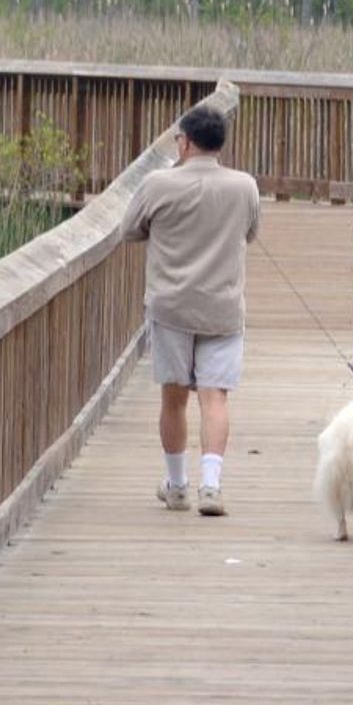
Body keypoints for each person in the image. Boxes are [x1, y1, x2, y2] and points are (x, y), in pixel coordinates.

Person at [124, 101, 259, 515]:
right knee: (214, 398)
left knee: (174, 398)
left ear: (184, 142)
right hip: (222, 307)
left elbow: (129, 230)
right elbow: (251, 233)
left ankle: (178, 485)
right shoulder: (244, 186)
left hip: (171, 306)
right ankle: (212, 488)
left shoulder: (157, 184)